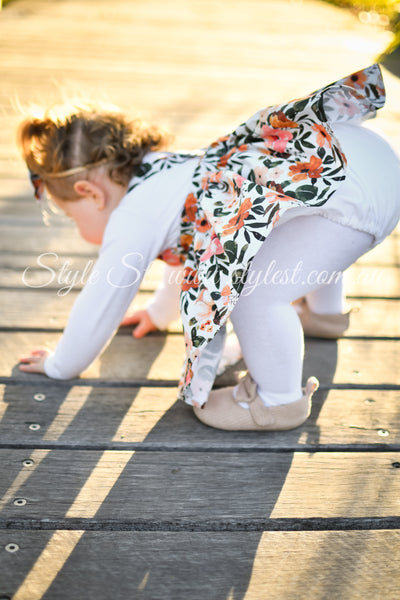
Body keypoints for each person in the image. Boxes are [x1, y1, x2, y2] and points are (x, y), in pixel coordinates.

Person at [18, 64, 400, 431]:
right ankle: (325, 314)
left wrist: (61, 364)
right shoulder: (171, 170)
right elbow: (190, 260)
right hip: (363, 163)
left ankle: (276, 401)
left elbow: (104, 296)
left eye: (71, 216)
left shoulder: (133, 216)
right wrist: (159, 312)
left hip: (352, 194)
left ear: (90, 194)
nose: (75, 225)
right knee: (296, 230)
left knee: (253, 295)